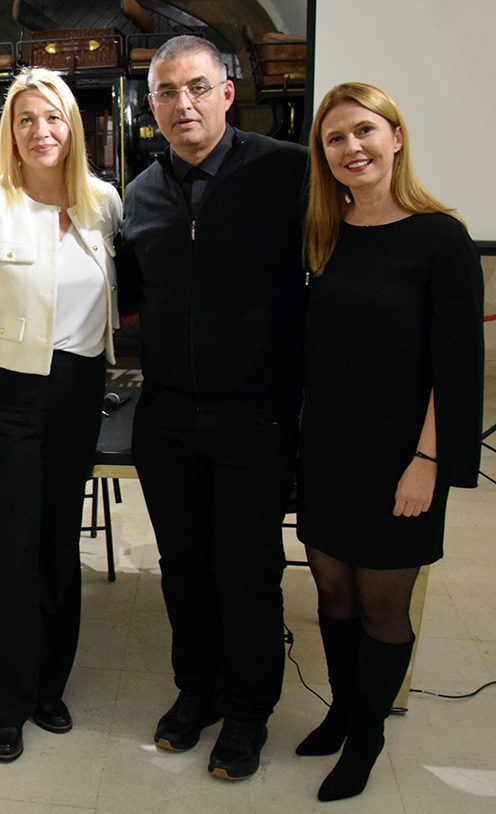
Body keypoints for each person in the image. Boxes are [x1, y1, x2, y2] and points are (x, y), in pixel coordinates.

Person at [115, 36, 308, 779]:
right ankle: (197, 690)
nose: (183, 104)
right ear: (151, 106)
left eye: (197, 87)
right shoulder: (140, 193)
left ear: (227, 93)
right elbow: (131, 298)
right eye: (167, 92)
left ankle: (249, 708)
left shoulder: (286, 172)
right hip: (168, 416)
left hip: (256, 414)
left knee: (247, 571)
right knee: (184, 569)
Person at [297, 82, 484, 802]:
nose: (352, 147)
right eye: (335, 138)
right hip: (329, 450)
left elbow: (456, 366)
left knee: (381, 606)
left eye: (365, 131)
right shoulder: (324, 233)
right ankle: (343, 711)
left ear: (396, 138)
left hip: (402, 456)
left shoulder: (440, 238)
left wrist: (428, 461)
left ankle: (367, 736)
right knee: (332, 592)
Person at [0, 67, 121, 762]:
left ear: (71, 126)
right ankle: (5, 701)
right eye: (26, 119)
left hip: (79, 394)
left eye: (53, 117)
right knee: (7, 554)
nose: (41, 130)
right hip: (9, 395)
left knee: (57, 547)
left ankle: (50, 686)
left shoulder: (102, 203)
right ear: (10, 133)